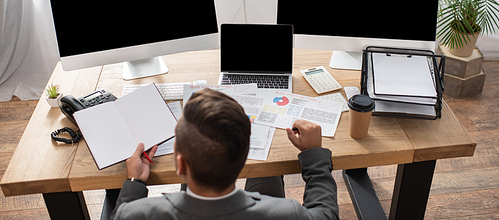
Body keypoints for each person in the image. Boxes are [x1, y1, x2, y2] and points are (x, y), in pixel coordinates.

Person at [110, 88, 339, 220]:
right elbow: (326, 214)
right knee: (269, 174)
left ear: (180, 166)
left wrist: (134, 182)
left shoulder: (136, 214)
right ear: (243, 161)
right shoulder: (287, 214)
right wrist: (313, 154)